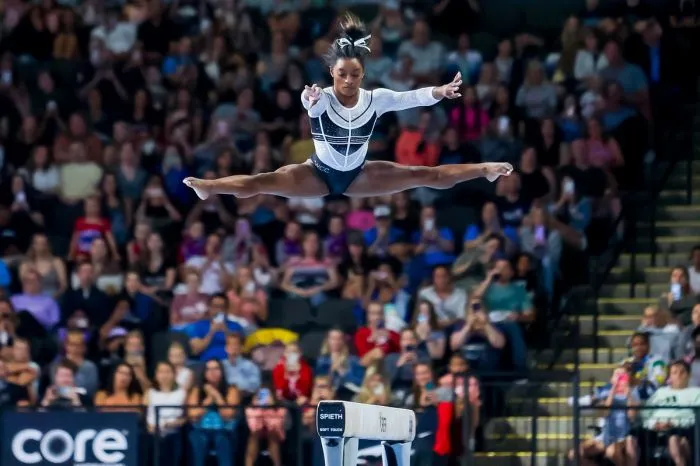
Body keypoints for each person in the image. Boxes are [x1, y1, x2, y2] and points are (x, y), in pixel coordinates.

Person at [183, 15, 513, 200]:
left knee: (426, 175)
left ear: (363, 74)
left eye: (355, 74)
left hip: (359, 175)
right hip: (317, 173)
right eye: (342, 74)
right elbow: (310, 106)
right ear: (332, 72)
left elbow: (410, 98)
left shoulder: (375, 99)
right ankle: (210, 187)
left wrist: (439, 91)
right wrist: (310, 99)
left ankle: (484, 169)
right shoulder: (322, 98)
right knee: (263, 181)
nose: (349, 80)